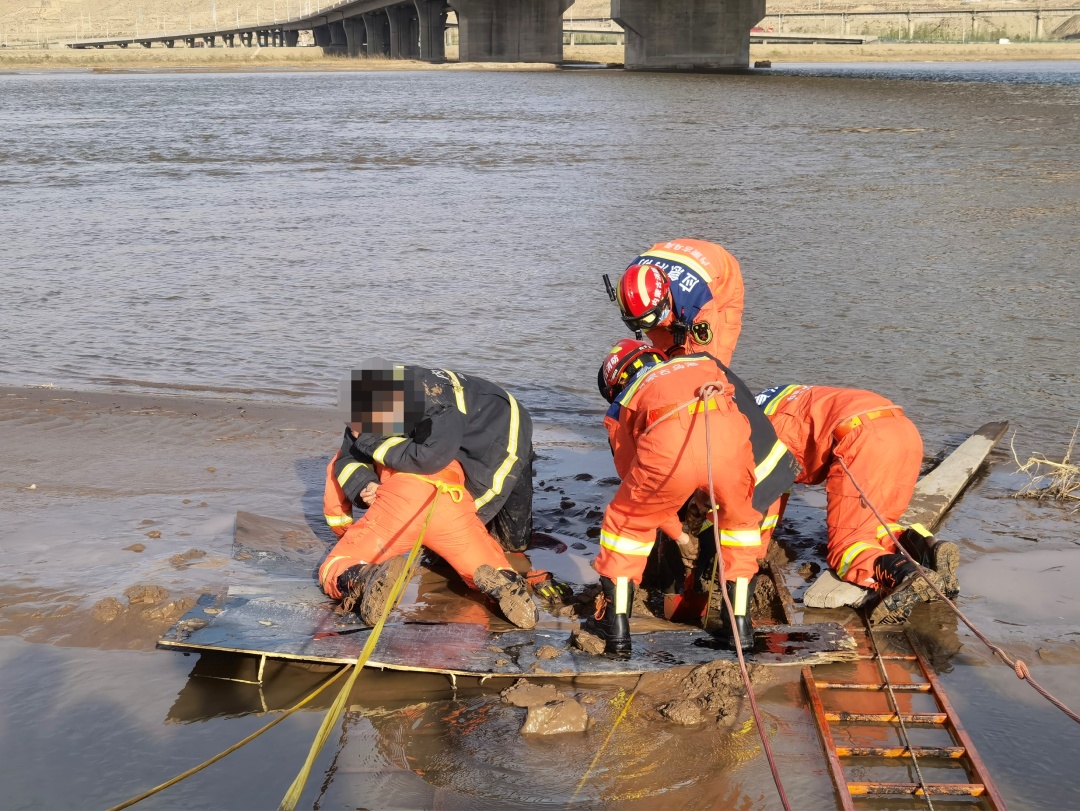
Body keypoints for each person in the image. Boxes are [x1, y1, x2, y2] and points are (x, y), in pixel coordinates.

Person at [587, 341, 797, 655]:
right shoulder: (701, 362)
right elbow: (746, 414)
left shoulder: (624, 401)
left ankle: (616, 631)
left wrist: (678, 533)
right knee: (740, 530)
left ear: (616, 383)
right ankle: (739, 628)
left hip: (668, 448)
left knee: (626, 527)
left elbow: (637, 483)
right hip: (728, 443)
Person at [755, 384, 957, 625]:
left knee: (845, 550)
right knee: (876, 525)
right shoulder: (766, 402)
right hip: (902, 430)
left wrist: (757, 549)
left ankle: (902, 572)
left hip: (862, 439)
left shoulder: (754, 429)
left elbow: (767, 492)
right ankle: (928, 549)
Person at [325, 363, 534, 553]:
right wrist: (366, 484)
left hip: (502, 427)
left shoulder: (435, 406)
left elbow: (429, 459)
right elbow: (347, 458)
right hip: (455, 427)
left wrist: (372, 442)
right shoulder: (368, 401)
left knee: (504, 539)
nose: (357, 431)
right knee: (444, 537)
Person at [320, 454, 538, 629]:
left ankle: (362, 577)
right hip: (452, 500)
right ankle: (506, 582)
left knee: (337, 564)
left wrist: (344, 533)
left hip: (400, 501)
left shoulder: (375, 425)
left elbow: (337, 473)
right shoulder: (450, 424)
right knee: (489, 567)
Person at [611, 239, 744, 365]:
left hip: (722, 275)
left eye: (646, 320)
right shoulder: (629, 285)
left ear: (663, 303)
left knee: (717, 359)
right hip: (677, 260)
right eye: (635, 323)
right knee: (668, 355)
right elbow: (658, 335)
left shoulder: (697, 303)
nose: (642, 325)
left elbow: (705, 355)